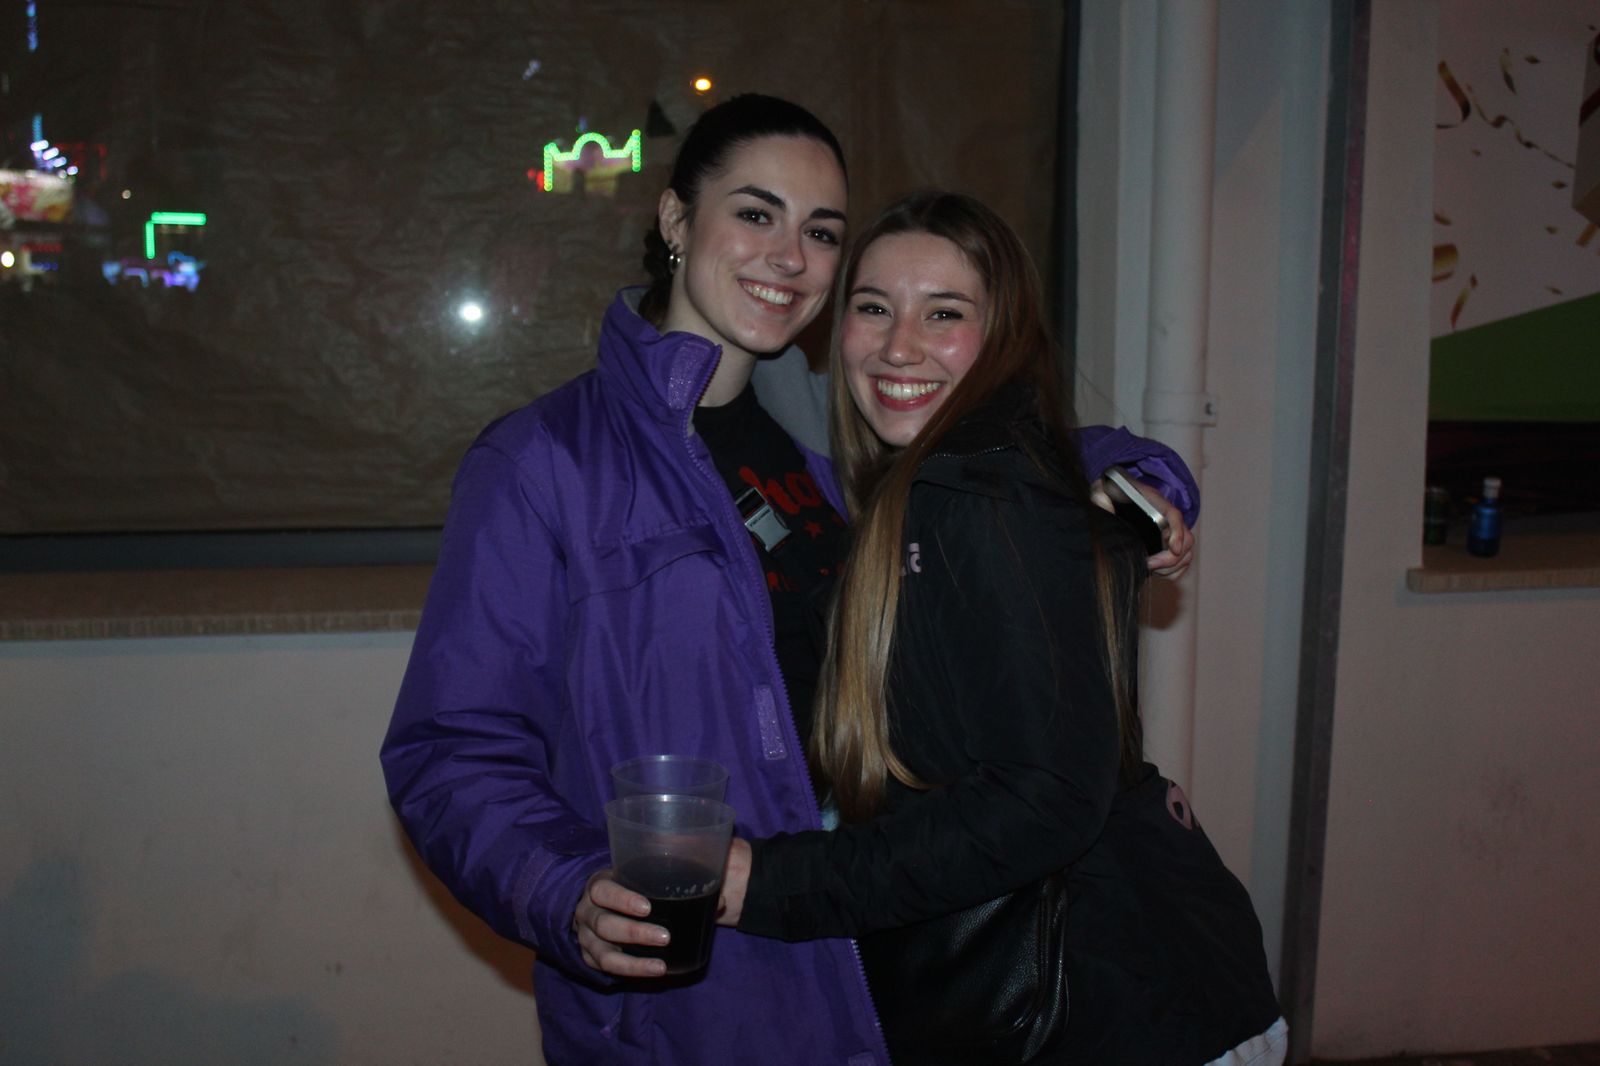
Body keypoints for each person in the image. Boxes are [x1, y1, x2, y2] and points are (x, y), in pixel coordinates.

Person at [381, 96, 1199, 1066]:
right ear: (676, 218)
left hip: (874, 956)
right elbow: (451, 747)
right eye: (755, 213)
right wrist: (561, 888)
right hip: (697, 995)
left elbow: (991, 441)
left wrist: (1133, 478)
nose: (789, 256)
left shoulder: (833, 440)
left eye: (821, 232)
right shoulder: (545, 462)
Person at [707, 191, 1287, 1065]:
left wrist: (771, 883)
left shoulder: (978, 500)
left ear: (1004, 334)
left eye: (944, 313)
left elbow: (1043, 799)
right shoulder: (919, 492)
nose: (899, 346)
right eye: (873, 308)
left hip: (1122, 1007)